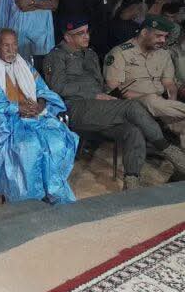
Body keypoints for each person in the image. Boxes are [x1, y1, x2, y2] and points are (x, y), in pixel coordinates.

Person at [43, 18, 185, 190]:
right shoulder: (56, 56)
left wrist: (109, 95)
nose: (86, 36)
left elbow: (100, 84)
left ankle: (131, 182)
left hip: (99, 109)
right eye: (80, 34)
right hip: (76, 108)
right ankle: (169, 150)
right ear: (67, 37)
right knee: (132, 106)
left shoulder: (90, 54)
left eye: (87, 32)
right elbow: (57, 87)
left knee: (134, 130)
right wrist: (95, 95)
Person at [0, 29, 78, 203]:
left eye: (14, 45)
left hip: (33, 114)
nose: (11, 50)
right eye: (6, 46)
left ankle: (50, 190)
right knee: (28, 146)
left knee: (56, 141)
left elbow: (41, 89)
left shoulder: (24, 64)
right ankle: (26, 200)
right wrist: (16, 108)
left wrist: (40, 104)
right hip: (3, 118)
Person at [104, 16, 185, 147]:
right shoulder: (120, 53)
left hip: (160, 104)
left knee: (182, 124)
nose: (163, 40)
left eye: (165, 37)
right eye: (159, 36)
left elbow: (169, 83)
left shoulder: (163, 54)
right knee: (151, 99)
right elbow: (114, 88)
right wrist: (150, 98)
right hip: (130, 103)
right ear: (144, 33)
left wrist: (171, 103)